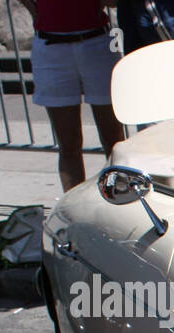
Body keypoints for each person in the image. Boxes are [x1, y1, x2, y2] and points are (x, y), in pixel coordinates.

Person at [17, 0, 125, 192]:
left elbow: (114, 3)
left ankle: (119, 199)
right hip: (51, 46)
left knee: (114, 140)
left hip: (97, 42)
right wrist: (35, 11)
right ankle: (73, 210)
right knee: (69, 143)